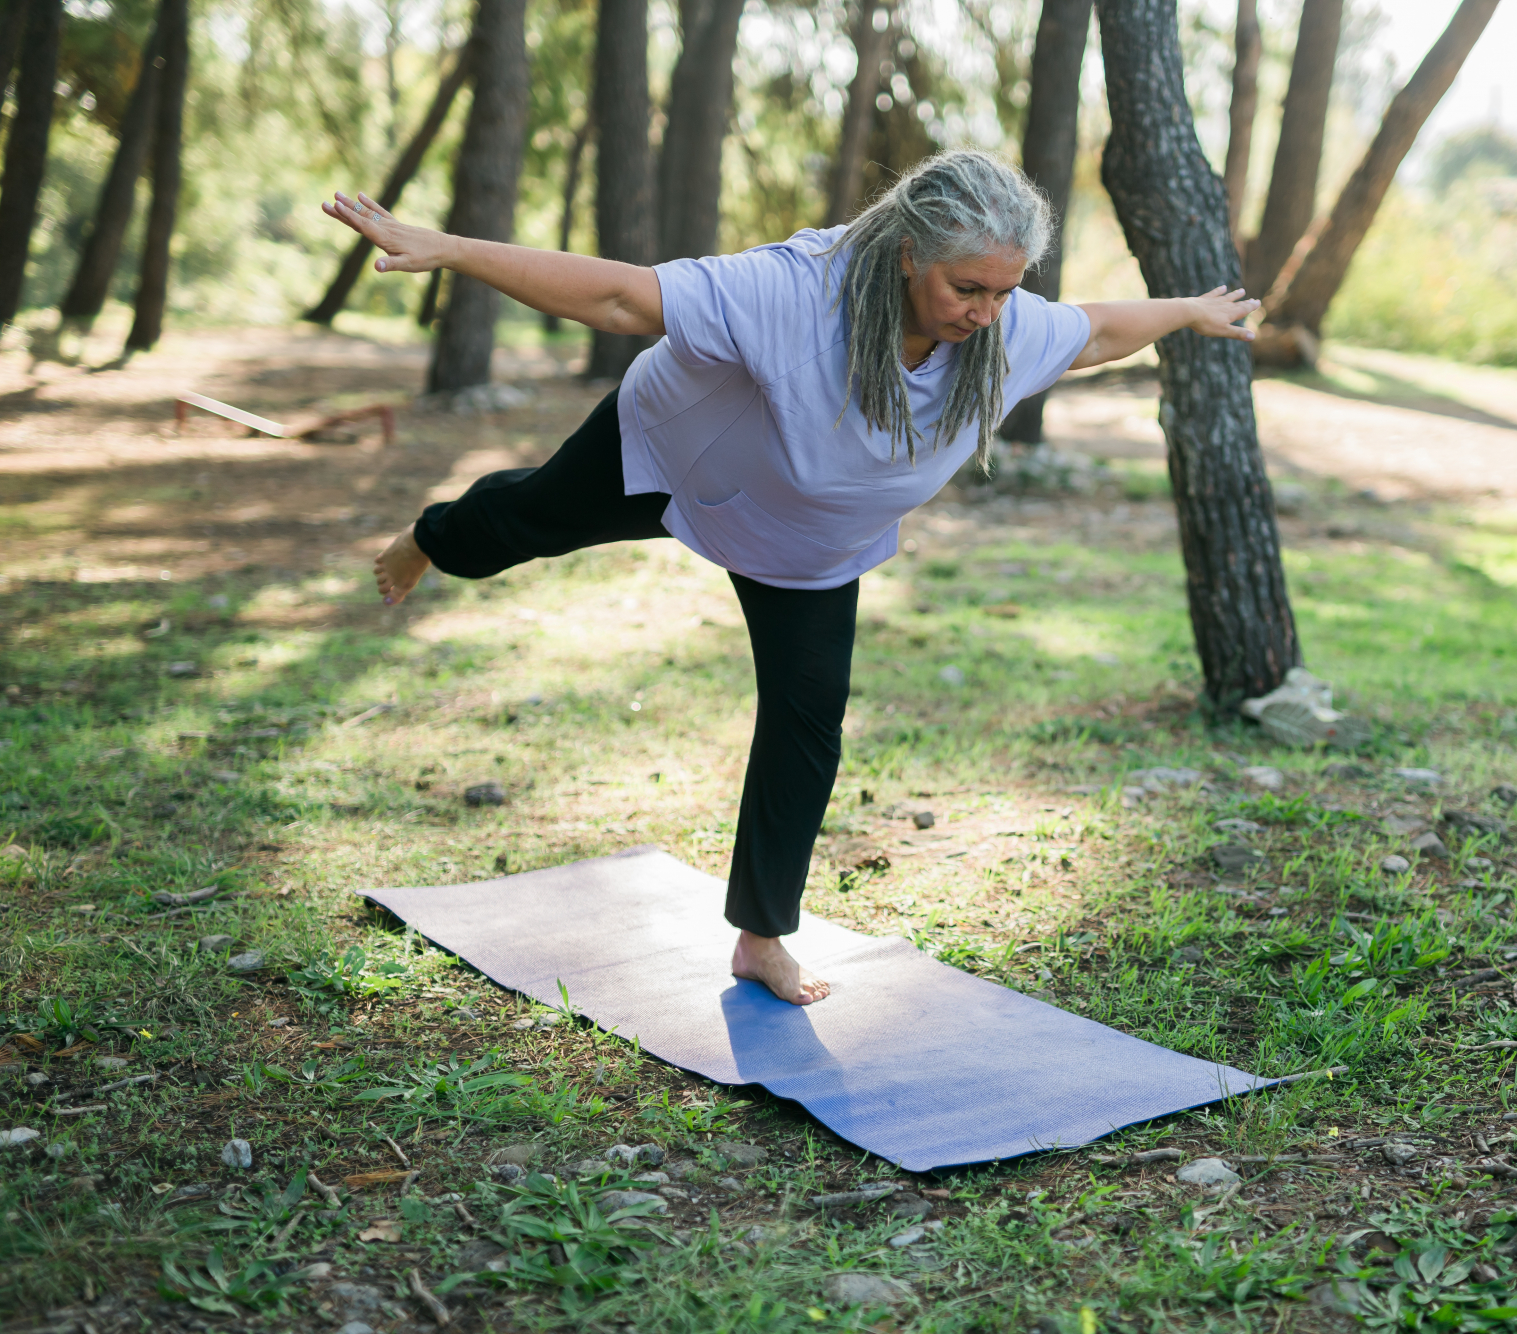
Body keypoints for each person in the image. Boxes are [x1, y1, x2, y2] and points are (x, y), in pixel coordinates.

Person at [323, 149, 1258, 1006]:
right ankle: (431, 538)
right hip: (674, 458)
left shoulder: (997, 331)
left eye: (1005, 292)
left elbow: (1094, 333)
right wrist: (452, 249)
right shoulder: (795, 292)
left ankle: (761, 937)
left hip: (806, 544)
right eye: (966, 286)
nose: (985, 312)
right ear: (903, 253)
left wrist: (1187, 313)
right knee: (521, 523)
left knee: (808, 723)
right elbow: (619, 301)